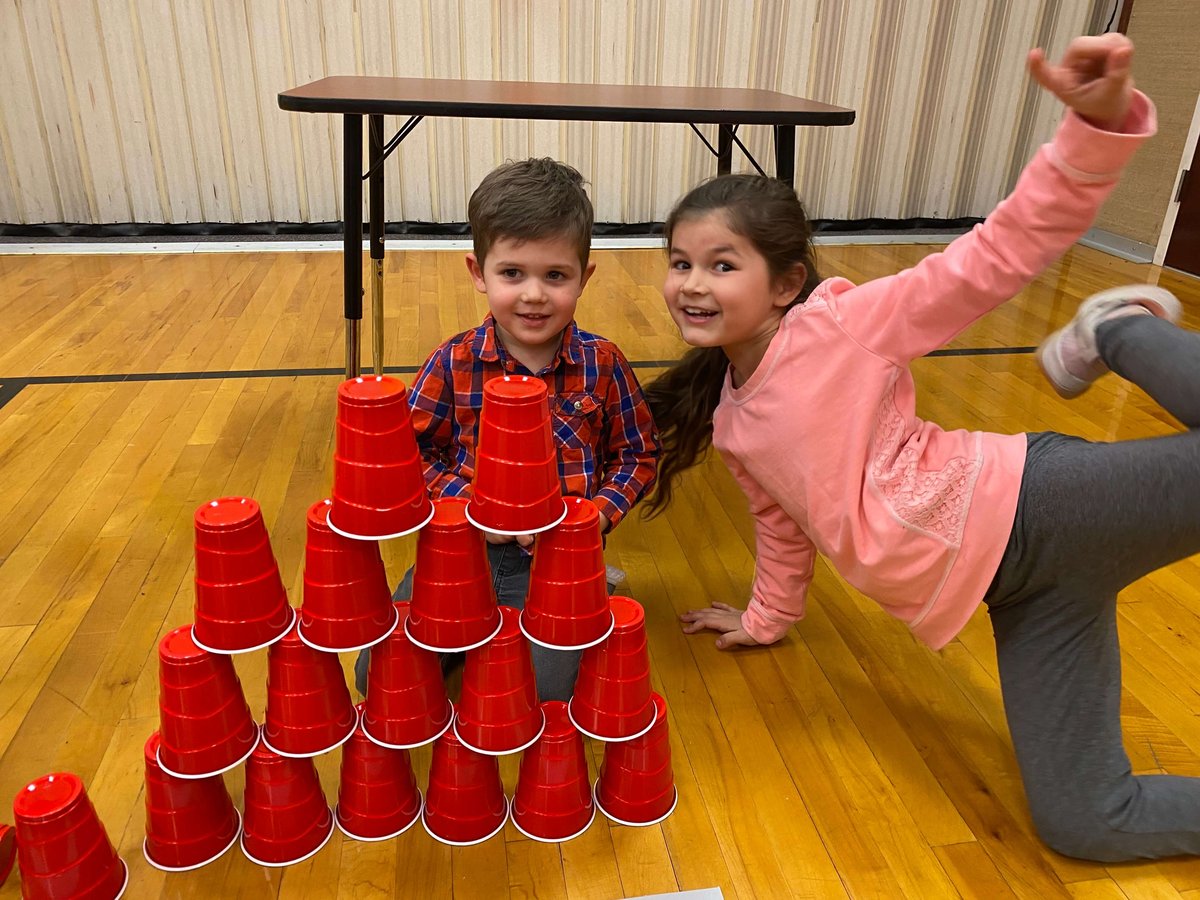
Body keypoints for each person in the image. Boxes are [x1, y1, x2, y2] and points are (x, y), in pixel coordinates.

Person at [646, 33, 1200, 861]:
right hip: (1025, 596)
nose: (691, 282)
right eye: (680, 262)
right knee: (1086, 822)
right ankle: (1119, 330)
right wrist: (765, 619)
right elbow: (784, 528)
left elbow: (998, 253)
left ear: (786, 283)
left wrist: (1094, 130)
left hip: (1043, 508)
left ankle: (1117, 330)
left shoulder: (842, 327)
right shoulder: (733, 421)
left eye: (721, 264)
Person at [355, 157, 659, 702]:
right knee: (376, 678)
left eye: (555, 276)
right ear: (479, 273)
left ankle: (554, 613)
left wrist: (592, 519)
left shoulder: (604, 363)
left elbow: (637, 455)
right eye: (512, 273)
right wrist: (470, 505)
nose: (534, 295)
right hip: (456, 552)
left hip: (559, 562)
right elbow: (407, 452)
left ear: (584, 278)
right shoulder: (454, 361)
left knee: (540, 691)